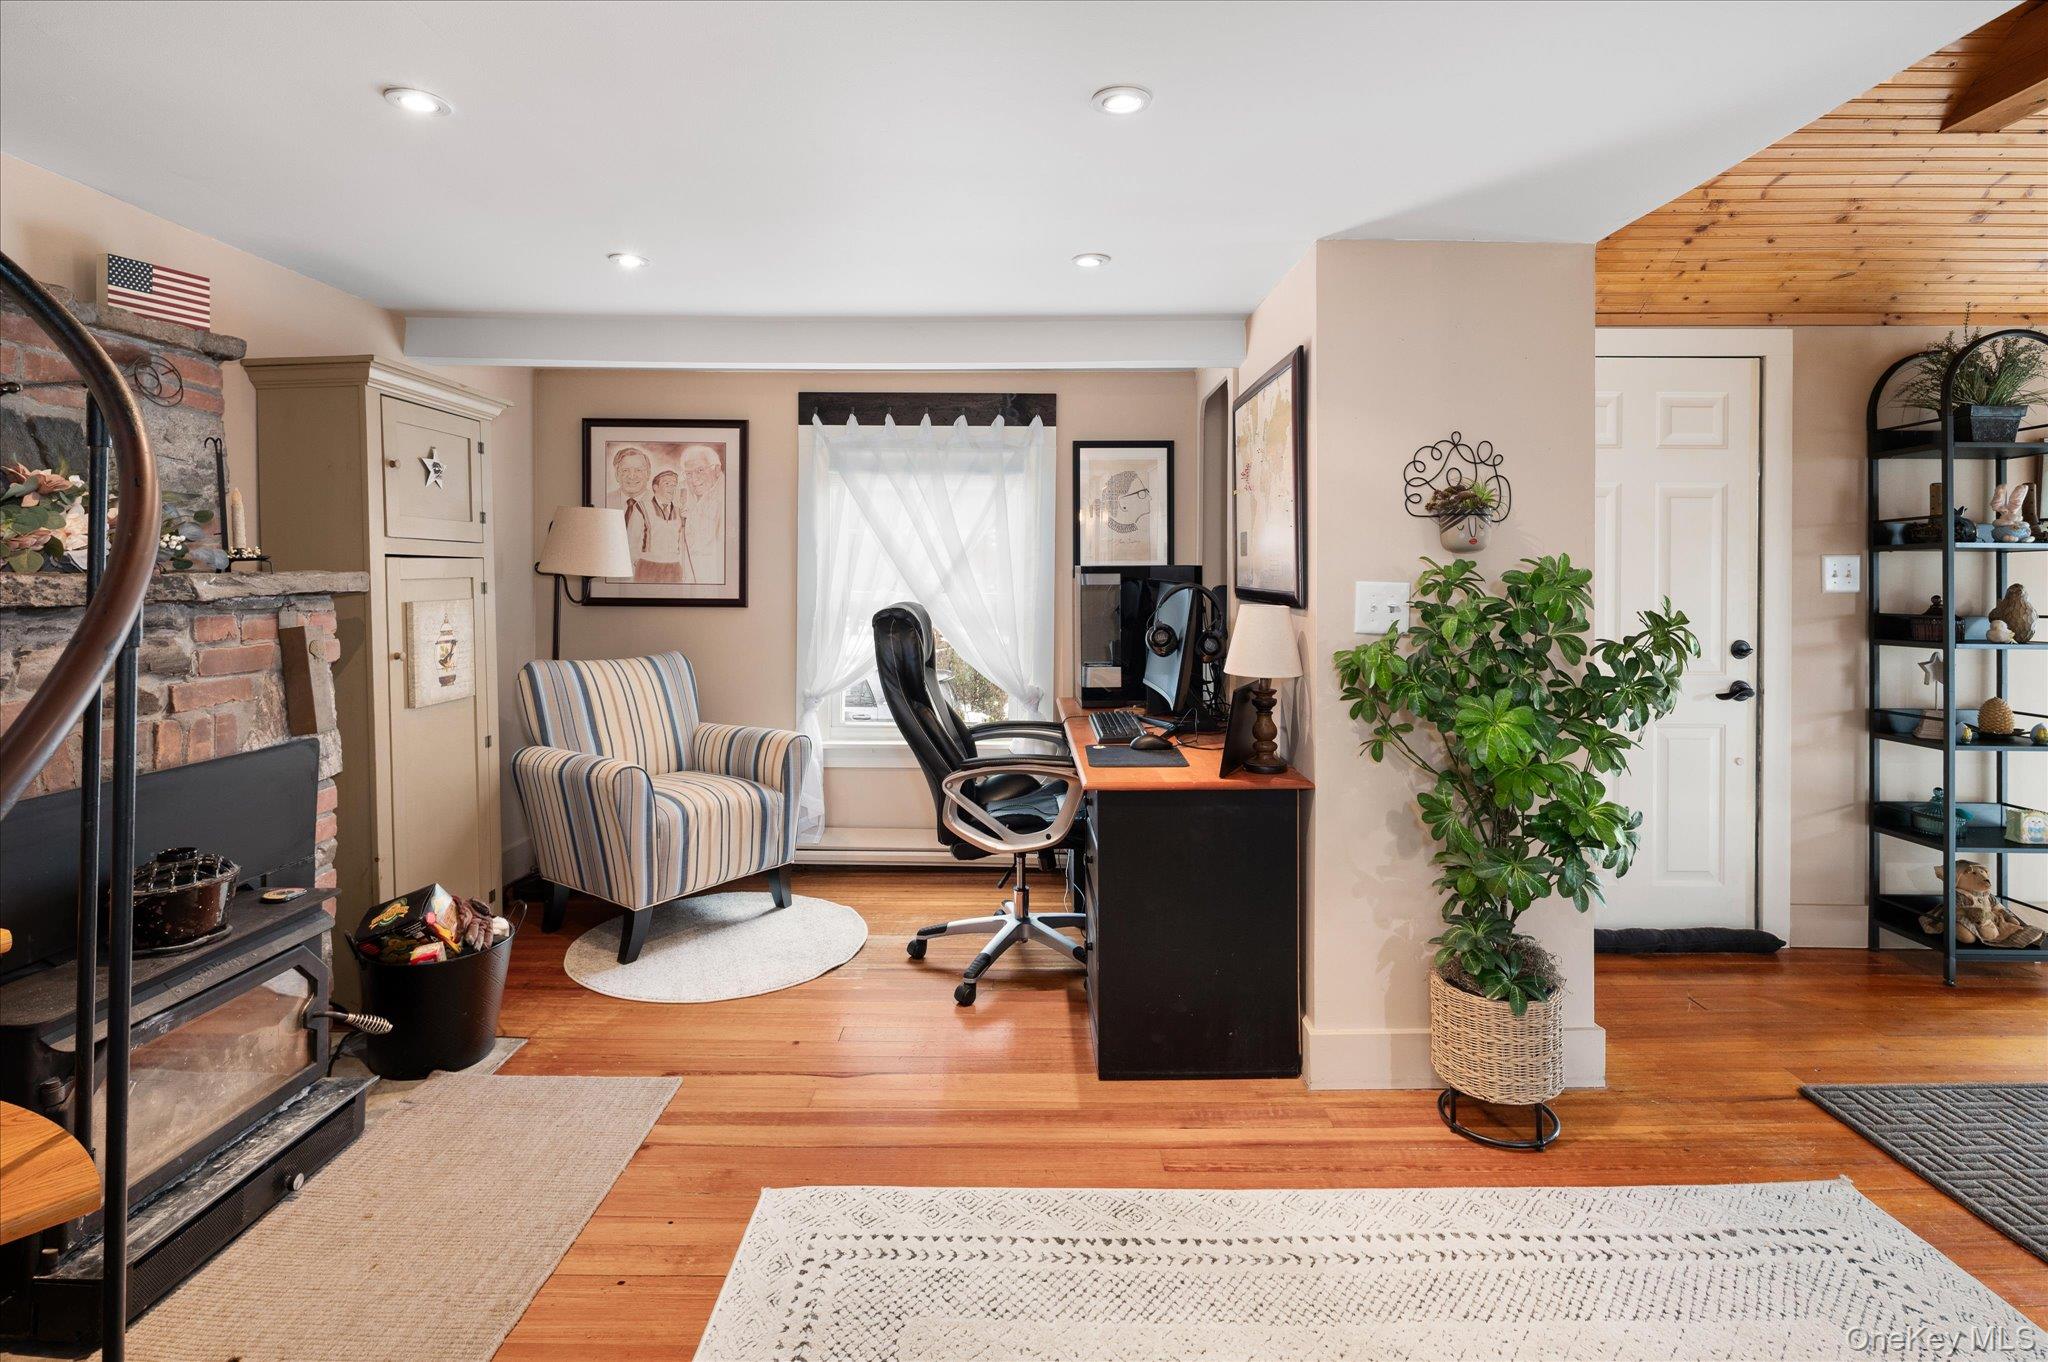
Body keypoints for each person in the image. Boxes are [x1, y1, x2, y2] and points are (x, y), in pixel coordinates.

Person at [678, 443, 725, 585]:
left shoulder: (728, 496)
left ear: (717, 470)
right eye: (688, 473)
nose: (694, 479)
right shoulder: (683, 491)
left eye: (700, 470)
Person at [635, 467, 685, 583]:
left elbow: (682, 543)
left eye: (674, 485)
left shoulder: (680, 511)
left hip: (673, 568)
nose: (672, 488)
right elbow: (632, 539)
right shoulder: (642, 507)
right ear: (655, 487)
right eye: (667, 484)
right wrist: (638, 562)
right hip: (648, 567)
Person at [611, 445, 654, 574]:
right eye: (625, 470)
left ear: (648, 474)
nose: (632, 476)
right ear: (617, 474)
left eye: (638, 470)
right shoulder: (605, 502)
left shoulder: (662, 506)